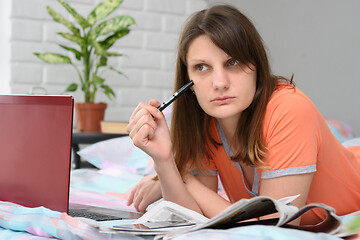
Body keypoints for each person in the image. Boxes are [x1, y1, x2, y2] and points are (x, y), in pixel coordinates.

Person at [126, 4, 360, 225]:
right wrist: (165, 163)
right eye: (202, 67)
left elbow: (276, 227)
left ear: (256, 66)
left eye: (232, 62)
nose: (219, 83)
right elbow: (192, 219)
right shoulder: (205, 120)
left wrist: (184, 178)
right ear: (189, 81)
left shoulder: (290, 108)